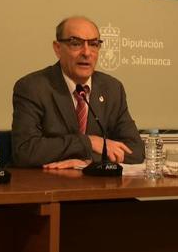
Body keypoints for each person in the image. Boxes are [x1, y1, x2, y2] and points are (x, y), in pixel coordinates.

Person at [11, 16, 144, 169]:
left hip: (101, 188)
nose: (87, 52)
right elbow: (25, 151)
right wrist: (89, 142)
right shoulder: (33, 87)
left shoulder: (112, 88)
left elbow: (136, 151)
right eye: (76, 44)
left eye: (94, 44)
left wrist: (87, 163)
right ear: (57, 48)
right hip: (50, 187)